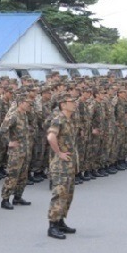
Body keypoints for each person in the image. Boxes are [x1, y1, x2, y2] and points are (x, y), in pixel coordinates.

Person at [46, 93, 78, 240]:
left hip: (69, 164)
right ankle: (52, 225)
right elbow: (51, 137)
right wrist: (58, 153)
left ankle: (60, 221)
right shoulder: (58, 119)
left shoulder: (69, 120)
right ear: (63, 104)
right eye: (72, 101)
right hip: (60, 165)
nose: (74, 104)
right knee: (59, 194)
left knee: (68, 194)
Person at [0, 93, 32, 210]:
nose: (29, 105)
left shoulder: (24, 115)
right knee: (12, 175)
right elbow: (2, 130)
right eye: (27, 103)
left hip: (25, 150)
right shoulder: (14, 115)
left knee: (23, 176)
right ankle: (5, 199)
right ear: (21, 103)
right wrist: (9, 142)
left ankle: (17, 197)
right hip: (16, 152)